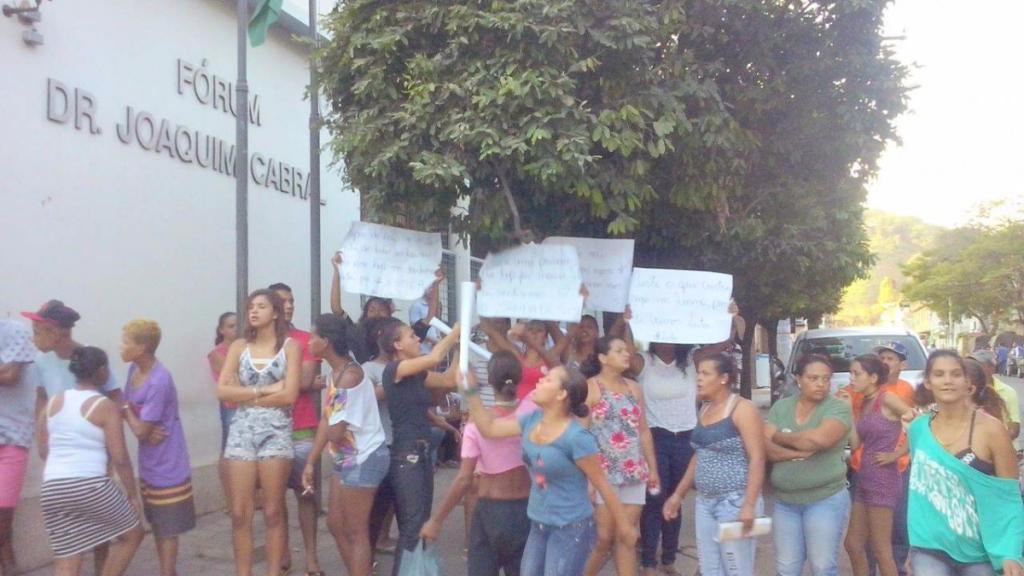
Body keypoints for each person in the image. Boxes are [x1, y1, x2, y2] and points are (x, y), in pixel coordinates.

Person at [466, 363, 637, 576]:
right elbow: (489, 429)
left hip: (570, 528)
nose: (539, 381)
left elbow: (602, 483)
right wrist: (471, 390)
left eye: (547, 380)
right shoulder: (532, 419)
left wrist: (624, 527)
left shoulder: (576, 437)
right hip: (538, 522)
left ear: (561, 394)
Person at [611, 307, 735, 576]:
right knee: (654, 500)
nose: (666, 339)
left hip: (687, 438)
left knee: (675, 500)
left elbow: (722, 344)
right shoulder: (644, 361)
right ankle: (648, 562)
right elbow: (627, 355)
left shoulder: (692, 360)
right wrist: (625, 322)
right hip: (656, 438)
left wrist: (729, 316)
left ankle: (669, 558)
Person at [23, 299, 121, 573]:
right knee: (68, 529)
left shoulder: (89, 358)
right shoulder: (40, 361)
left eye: (37, 330)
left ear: (57, 332)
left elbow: (114, 394)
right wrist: (42, 439)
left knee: (100, 522)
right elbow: (42, 400)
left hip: (95, 452)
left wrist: (115, 442)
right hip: (60, 454)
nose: (33, 337)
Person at [906, 350, 1024, 575]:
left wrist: (1011, 553)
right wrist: (913, 549)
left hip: (982, 550)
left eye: (955, 374)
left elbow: (1009, 497)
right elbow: (921, 491)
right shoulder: (918, 429)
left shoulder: (992, 430)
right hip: (930, 547)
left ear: (967, 382)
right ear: (928, 383)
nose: (948, 380)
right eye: (939, 374)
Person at [420, 351, 533, 575]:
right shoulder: (533, 413)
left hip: (490, 509)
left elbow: (463, 479)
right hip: (526, 508)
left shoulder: (476, 425)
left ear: (489, 381)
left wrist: (437, 520)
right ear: (520, 378)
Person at [216, 289, 302, 576]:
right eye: (251, 306)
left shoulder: (289, 347)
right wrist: (264, 390)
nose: (254, 311)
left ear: (275, 313)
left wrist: (244, 396)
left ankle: (274, 571)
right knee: (240, 512)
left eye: (261, 306)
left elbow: (290, 395)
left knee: (273, 510)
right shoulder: (239, 346)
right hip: (241, 431)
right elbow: (222, 390)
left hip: (275, 432)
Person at [39, 346, 143, 576]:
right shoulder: (104, 406)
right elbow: (120, 458)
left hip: (53, 487)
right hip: (91, 485)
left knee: (68, 555)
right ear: (102, 371)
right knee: (133, 534)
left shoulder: (52, 403)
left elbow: (44, 450)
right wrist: (131, 494)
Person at [663, 353, 766, 576]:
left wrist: (749, 504)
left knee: (736, 568)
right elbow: (699, 455)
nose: (698, 378)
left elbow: (757, 458)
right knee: (711, 569)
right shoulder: (704, 409)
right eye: (698, 373)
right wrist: (678, 495)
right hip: (705, 503)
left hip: (735, 501)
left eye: (705, 373)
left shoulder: (742, 409)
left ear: (724, 378)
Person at [303, 314, 388, 576]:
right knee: (335, 523)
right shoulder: (335, 374)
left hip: (364, 457)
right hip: (348, 456)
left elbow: (335, 430)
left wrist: (326, 431)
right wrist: (311, 461)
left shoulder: (348, 377)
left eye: (313, 336)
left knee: (356, 531)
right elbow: (328, 419)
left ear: (326, 341)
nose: (309, 341)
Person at [377, 318, 461, 575]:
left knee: (420, 523)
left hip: (422, 454)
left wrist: (460, 348)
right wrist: (455, 332)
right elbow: (435, 357)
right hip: (407, 455)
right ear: (397, 344)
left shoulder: (416, 373)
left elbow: (449, 380)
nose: (417, 339)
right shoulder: (395, 369)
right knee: (413, 526)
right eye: (411, 336)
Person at [119, 320, 196, 576]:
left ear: (142, 347)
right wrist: (136, 419)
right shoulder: (134, 370)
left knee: (168, 528)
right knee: (158, 523)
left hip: (168, 463)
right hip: (149, 461)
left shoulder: (159, 380)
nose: (121, 346)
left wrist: (128, 411)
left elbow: (140, 428)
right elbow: (139, 425)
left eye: (126, 341)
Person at [764, 354, 852, 576]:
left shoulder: (838, 407)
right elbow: (762, 445)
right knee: (786, 567)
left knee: (822, 566)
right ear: (798, 379)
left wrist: (781, 436)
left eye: (825, 379)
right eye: (813, 378)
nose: (821, 384)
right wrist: (792, 452)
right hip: (785, 501)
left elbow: (818, 440)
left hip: (825, 498)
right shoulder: (781, 407)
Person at [580, 336, 659, 576]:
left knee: (628, 536)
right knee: (603, 538)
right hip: (602, 473)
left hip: (633, 470)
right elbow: (581, 435)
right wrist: (587, 480)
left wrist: (652, 468)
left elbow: (643, 430)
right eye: (619, 351)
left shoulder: (633, 388)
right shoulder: (591, 387)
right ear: (603, 358)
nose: (626, 354)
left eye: (626, 350)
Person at [269, 282, 324, 576]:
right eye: (282, 301)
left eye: (291, 300)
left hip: (302, 427)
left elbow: (303, 382)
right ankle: (284, 553)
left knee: (306, 496)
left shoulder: (305, 339)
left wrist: (267, 384)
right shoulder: (258, 342)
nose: (289, 305)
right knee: (275, 500)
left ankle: (312, 557)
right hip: (270, 430)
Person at [837, 354, 911, 576]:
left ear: (873, 377)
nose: (852, 378)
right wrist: (849, 409)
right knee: (853, 544)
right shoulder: (865, 401)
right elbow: (857, 443)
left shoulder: (886, 398)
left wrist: (897, 453)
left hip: (883, 479)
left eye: (857, 373)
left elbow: (918, 422)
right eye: (851, 373)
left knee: (881, 549)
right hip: (865, 476)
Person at [0, 320, 37, 576]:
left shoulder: (16, 331)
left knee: (3, 513)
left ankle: (10, 567)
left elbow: (11, 377)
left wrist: (6, 370)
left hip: (13, 435)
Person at [330, 251, 395, 363]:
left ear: (390, 313)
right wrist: (337, 271)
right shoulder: (357, 331)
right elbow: (336, 308)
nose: (377, 313)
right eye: (372, 310)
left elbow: (427, 320)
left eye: (382, 310)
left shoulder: (397, 333)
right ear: (365, 314)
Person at [480, 318, 560, 400]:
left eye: (539, 330)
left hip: (543, 409)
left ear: (545, 336)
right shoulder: (517, 355)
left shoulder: (551, 356)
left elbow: (567, 339)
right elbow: (491, 332)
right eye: (530, 329)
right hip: (519, 409)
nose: (534, 333)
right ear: (524, 334)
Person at [207, 311, 238, 505]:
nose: (235, 329)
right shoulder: (217, 354)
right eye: (230, 326)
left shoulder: (245, 348)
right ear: (222, 330)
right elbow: (233, 378)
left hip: (246, 404)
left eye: (237, 325)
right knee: (228, 449)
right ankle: (230, 499)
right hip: (231, 406)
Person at [969, 350, 1021, 442]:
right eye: (972, 365)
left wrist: (996, 445)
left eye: (978, 365)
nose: (973, 369)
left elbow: (1015, 427)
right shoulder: (965, 390)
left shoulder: (1007, 391)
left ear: (992, 368)